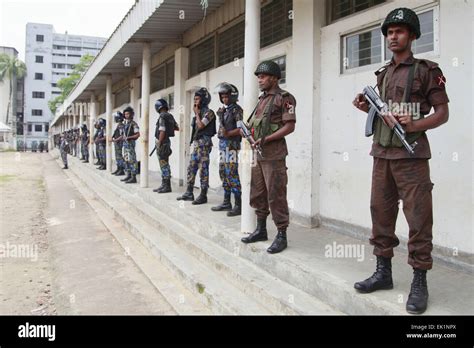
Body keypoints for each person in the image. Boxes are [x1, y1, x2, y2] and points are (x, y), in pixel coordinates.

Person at [352, 7, 449, 315]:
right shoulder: (382, 74)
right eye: (390, 33)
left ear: (412, 36)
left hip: (412, 157)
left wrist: (414, 123)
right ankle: (384, 272)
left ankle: (419, 281)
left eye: (400, 31)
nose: (393, 36)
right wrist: (363, 107)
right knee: (380, 214)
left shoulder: (427, 70)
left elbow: (442, 113)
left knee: (419, 219)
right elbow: (381, 114)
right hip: (381, 155)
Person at [240, 60, 296, 254]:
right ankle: (261, 229)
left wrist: (266, 139)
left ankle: (282, 234)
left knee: (276, 194)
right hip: (258, 155)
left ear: (274, 78)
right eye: (258, 77)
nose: (259, 80)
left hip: (274, 155)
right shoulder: (262, 99)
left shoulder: (285, 98)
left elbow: (289, 126)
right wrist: (248, 131)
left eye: (262, 77)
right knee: (258, 192)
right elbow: (258, 124)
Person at [177, 88, 216, 205]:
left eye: (197, 99)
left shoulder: (209, 113)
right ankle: (189, 192)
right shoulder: (198, 114)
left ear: (204, 100)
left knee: (203, 169)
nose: (195, 101)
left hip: (204, 144)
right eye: (194, 99)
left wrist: (197, 114)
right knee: (191, 167)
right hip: (197, 143)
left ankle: (203, 195)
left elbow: (201, 125)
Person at [211, 82, 243, 217]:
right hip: (223, 146)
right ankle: (226, 202)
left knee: (232, 174)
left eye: (226, 96)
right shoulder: (223, 111)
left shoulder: (237, 110)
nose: (224, 99)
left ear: (232, 96)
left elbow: (241, 129)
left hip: (232, 146)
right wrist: (220, 116)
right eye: (222, 97)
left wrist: (229, 134)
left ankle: (238, 205)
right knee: (223, 172)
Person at [153, 98, 179, 193]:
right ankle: (164, 184)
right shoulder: (170, 116)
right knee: (164, 163)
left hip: (163, 142)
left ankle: (167, 186)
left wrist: (159, 142)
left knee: (163, 164)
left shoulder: (162, 116)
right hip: (167, 142)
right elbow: (177, 127)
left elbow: (162, 130)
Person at [121, 106, 140, 184]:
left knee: (132, 160)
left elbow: (137, 135)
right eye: (125, 114)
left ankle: (133, 177)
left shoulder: (133, 124)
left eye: (128, 114)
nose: (126, 115)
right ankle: (128, 175)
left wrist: (129, 137)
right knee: (126, 159)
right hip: (125, 145)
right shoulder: (126, 124)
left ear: (131, 114)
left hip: (130, 144)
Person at [111, 112, 126, 176]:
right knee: (117, 156)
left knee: (119, 156)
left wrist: (115, 140)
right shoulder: (119, 125)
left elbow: (122, 135)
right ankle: (118, 168)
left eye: (116, 117)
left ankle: (121, 169)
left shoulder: (121, 126)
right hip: (117, 142)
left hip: (119, 143)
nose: (115, 118)